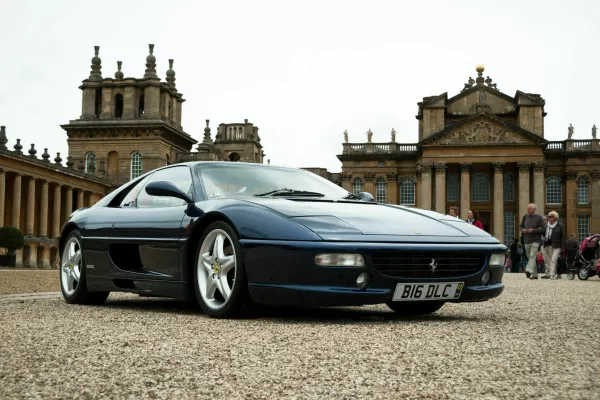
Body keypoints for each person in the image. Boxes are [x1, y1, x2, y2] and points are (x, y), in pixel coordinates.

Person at [520, 203, 546, 279]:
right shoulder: (525, 217)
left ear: (534, 209)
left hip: (535, 240)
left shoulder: (539, 217)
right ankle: (534, 274)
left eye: (529, 209)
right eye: (527, 208)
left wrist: (533, 230)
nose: (528, 210)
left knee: (532, 256)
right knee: (530, 257)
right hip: (526, 240)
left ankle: (528, 270)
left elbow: (543, 229)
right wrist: (523, 230)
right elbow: (521, 226)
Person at [541, 211, 564, 279]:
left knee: (553, 260)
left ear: (554, 218)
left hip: (557, 246)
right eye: (548, 217)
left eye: (550, 217)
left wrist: (563, 248)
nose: (548, 218)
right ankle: (553, 274)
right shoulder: (546, 225)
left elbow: (562, 237)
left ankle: (552, 275)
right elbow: (542, 233)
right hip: (549, 245)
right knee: (551, 261)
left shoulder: (560, 226)